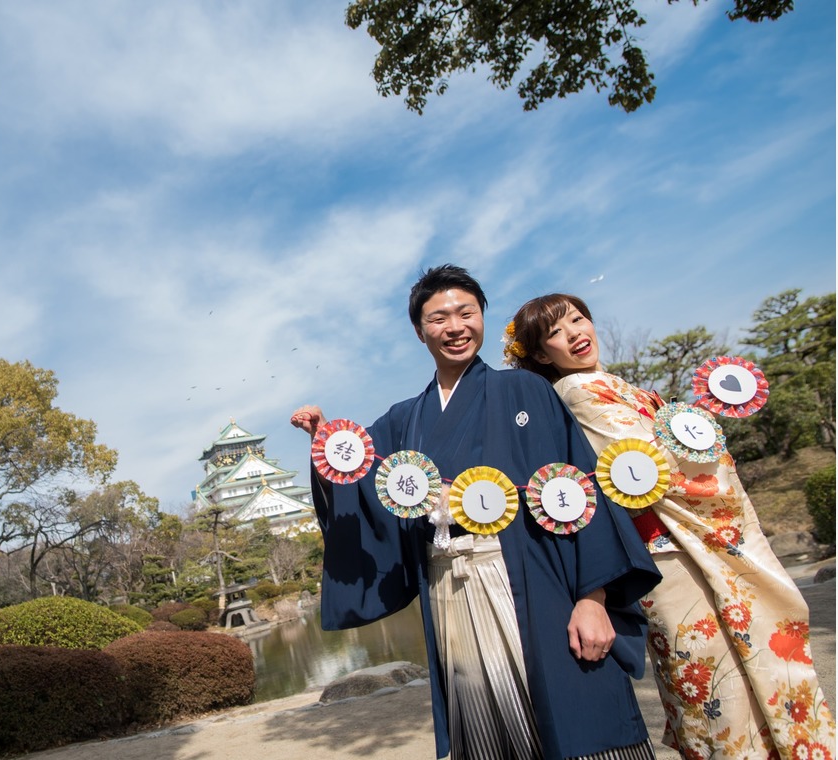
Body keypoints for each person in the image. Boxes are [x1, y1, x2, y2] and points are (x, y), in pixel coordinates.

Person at [290, 265, 662, 760]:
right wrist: (326, 448)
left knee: (578, 714)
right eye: (439, 317)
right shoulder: (404, 420)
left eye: (466, 312)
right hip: (450, 586)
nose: (455, 326)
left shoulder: (526, 392)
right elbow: (360, 490)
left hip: (538, 581)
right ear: (420, 331)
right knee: (488, 726)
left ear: (482, 317)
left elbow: (578, 491)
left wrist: (593, 599)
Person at [507, 292, 836, 760]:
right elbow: (647, 464)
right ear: (541, 355)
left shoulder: (614, 385)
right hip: (669, 553)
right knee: (710, 677)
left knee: (726, 670)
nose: (576, 334)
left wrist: (698, 432)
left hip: (680, 546)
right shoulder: (577, 392)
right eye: (557, 332)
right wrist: (704, 437)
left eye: (579, 320)